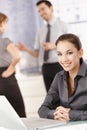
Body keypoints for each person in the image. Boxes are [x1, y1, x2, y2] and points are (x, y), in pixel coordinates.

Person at [17, 0, 68, 92]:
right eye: (39, 11)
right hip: (45, 68)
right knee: (51, 99)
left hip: (61, 66)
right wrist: (25, 49)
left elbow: (72, 46)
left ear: (51, 8)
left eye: (43, 9)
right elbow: (37, 54)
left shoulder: (63, 26)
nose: (41, 13)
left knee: (65, 97)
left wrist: (54, 45)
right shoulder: (40, 31)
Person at [38, 33, 87, 121]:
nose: (64, 59)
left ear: (80, 53)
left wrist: (71, 115)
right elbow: (42, 110)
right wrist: (55, 114)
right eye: (60, 54)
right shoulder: (59, 77)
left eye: (69, 53)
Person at [0, 12, 26, 117]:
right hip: (6, 79)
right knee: (18, 111)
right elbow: (17, 55)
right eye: (4, 23)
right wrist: (11, 68)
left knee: (4, 115)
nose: (5, 26)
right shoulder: (5, 41)